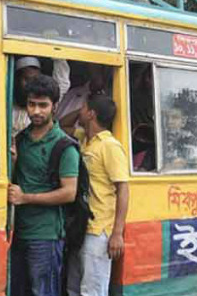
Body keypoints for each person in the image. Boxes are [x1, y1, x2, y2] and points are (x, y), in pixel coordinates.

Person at [8, 75, 79, 296]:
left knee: (43, 292)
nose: (36, 111)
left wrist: (25, 198)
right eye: (31, 104)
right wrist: (12, 163)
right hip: (17, 232)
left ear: (55, 106)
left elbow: (69, 193)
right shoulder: (20, 140)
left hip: (46, 236)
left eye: (43, 105)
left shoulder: (64, 146)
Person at [67, 94, 129, 296]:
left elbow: (123, 189)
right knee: (73, 287)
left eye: (83, 107)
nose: (80, 110)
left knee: (92, 290)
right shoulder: (84, 138)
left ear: (92, 113)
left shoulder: (110, 146)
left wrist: (117, 233)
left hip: (99, 228)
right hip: (81, 225)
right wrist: (82, 113)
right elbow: (60, 124)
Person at [12, 56, 70, 135]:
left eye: (35, 79)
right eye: (27, 79)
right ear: (17, 80)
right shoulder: (4, 103)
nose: (31, 84)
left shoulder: (46, 99)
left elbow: (63, 83)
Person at [57, 64, 108, 135]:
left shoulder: (113, 99)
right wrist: (83, 110)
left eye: (102, 67)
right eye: (96, 66)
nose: (99, 71)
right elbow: (59, 127)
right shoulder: (73, 93)